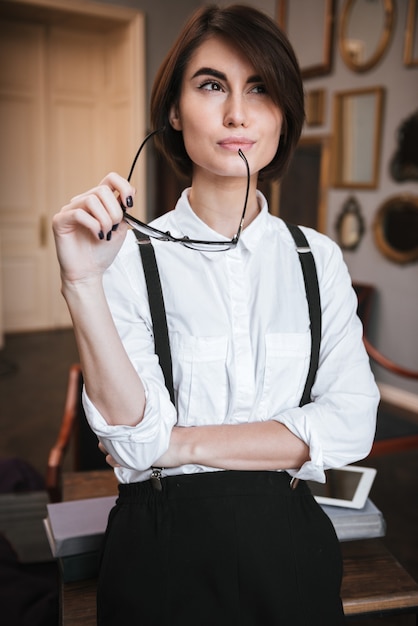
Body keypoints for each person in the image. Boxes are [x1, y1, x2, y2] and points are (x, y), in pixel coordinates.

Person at [52, 4, 379, 625]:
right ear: (174, 111)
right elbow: (134, 437)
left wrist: (179, 444)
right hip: (159, 552)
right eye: (211, 85)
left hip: (289, 547)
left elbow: (349, 426)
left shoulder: (319, 259)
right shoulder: (124, 256)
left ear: (283, 112)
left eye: (259, 88)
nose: (237, 113)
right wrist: (81, 281)